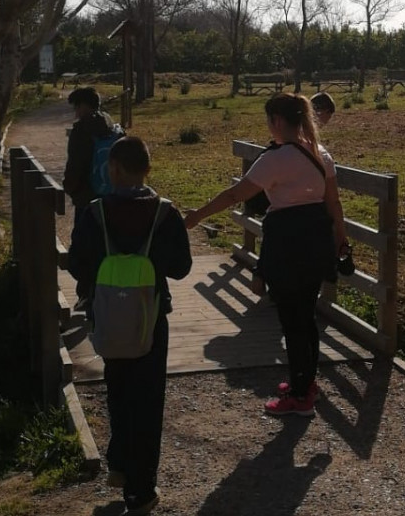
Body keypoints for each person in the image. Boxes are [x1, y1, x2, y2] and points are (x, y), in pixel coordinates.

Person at [184, 93, 348, 417]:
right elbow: (334, 204)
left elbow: (236, 194)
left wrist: (198, 216)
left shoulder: (276, 158)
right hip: (316, 242)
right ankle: (306, 384)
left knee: (292, 320)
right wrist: (341, 242)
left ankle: (300, 397)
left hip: (287, 244)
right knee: (306, 317)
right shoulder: (320, 153)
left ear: (276, 120)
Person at [68, 136, 192, 515]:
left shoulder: (95, 213)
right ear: (147, 169)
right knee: (148, 400)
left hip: (107, 317)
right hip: (151, 318)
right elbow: (181, 267)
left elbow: (77, 264)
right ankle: (141, 489)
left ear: (114, 168)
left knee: (117, 390)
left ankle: (119, 466)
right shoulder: (165, 214)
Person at [63, 86, 122, 227]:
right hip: (113, 196)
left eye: (76, 107)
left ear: (83, 106)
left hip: (87, 196)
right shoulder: (112, 128)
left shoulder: (81, 131)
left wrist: (69, 187)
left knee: (83, 240)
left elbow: (75, 165)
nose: (76, 113)